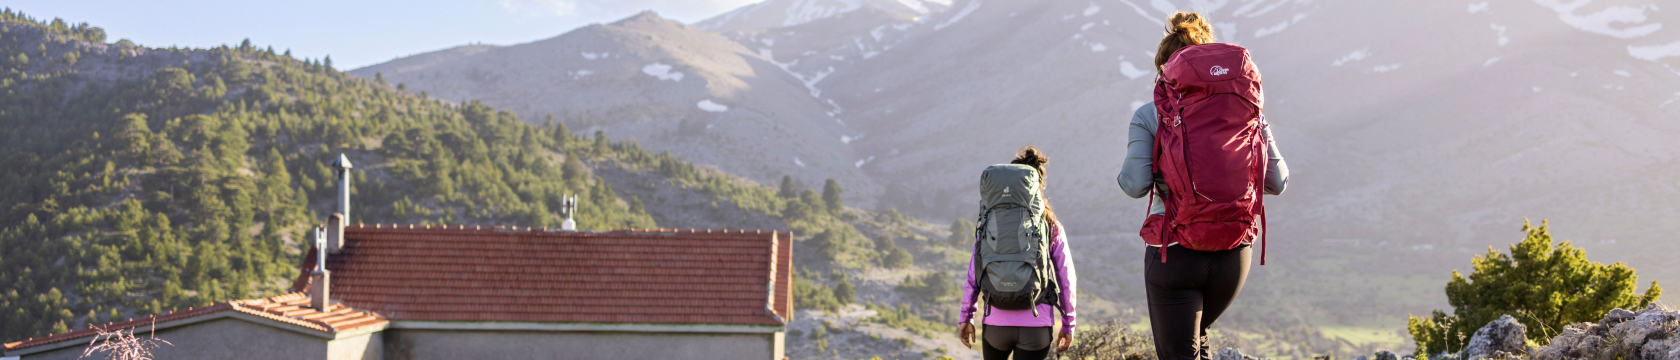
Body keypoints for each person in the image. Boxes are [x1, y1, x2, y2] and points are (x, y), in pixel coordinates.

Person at [1117, 12, 1290, 360]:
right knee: (1199, 342)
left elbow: (1134, 185)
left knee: (1179, 353)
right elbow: (1278, 181)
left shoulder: (1149, 115)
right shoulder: (1249, 111)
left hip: (1176, 252)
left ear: (1167, 71)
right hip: (1234, 255)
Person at [957, 146, 1078, 360]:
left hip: (996, 324)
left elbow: (974, 273)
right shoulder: (1051, 225)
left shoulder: (988, 222)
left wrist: (966, 316)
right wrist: (1069, 323)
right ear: (1036, 185)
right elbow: (1066, 278)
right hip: (1037, 324)